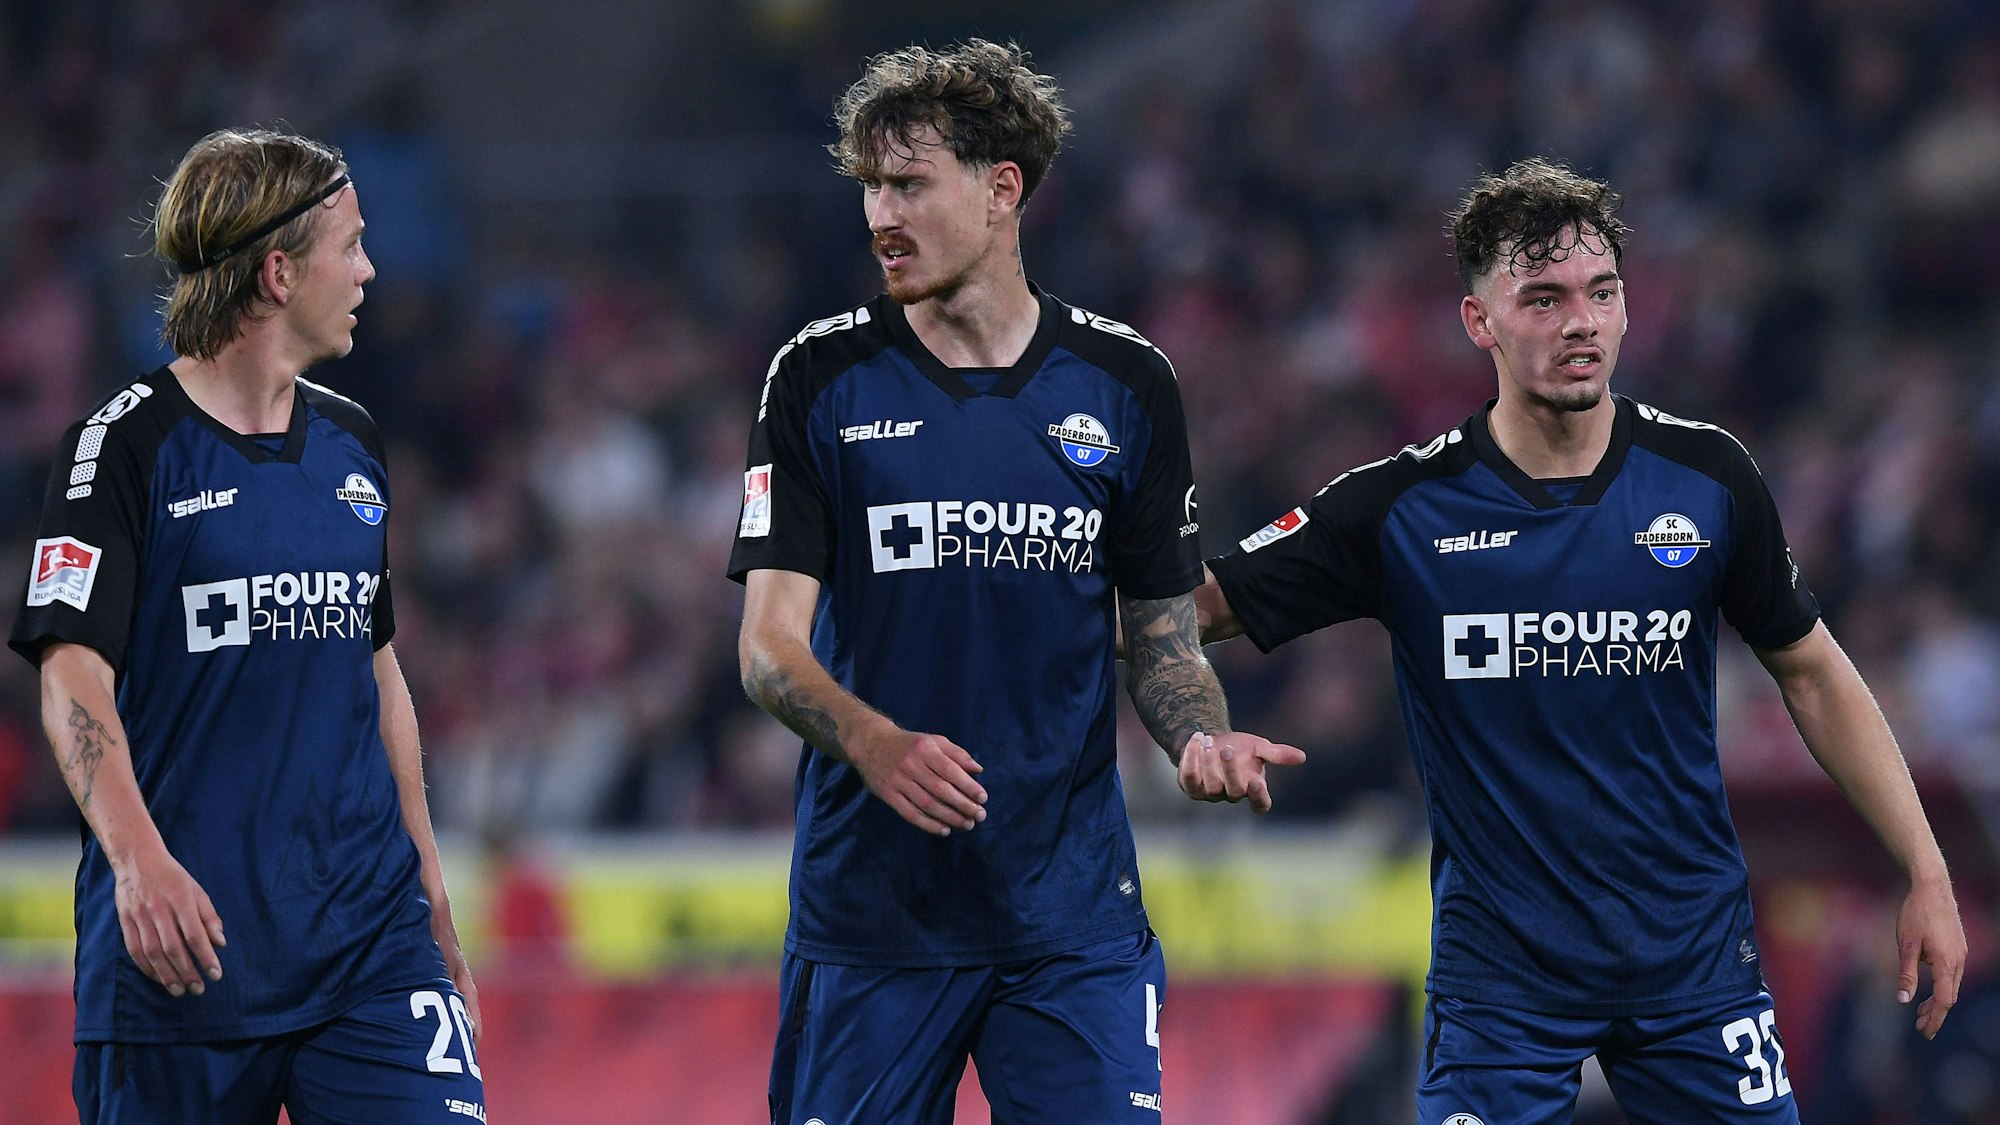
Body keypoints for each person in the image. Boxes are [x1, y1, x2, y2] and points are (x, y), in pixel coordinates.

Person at [1197, 158, 1966, 1123]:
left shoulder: (1708, 475)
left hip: (1692, 965)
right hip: (1500, 987)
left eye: (1602, 293)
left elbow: (1812, 671)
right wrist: (1190, 715)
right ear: (1480, 322)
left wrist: (1927, 869)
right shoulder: (1400, 505)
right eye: (1544, 297)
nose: (1581, 323)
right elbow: (1182, 607)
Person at [729, 39, 1302, 1124]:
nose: (878, 215)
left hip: (1069, 920)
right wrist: (871, 739)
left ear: (1001, 192)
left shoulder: (1127, 383)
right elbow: (767, 649)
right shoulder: (817, 376)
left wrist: (1197, 739)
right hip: (872, 916)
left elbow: (1164, 638)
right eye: (868, 188)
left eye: (908, 183)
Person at [7, 128, 483, 1123]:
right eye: (348, 246)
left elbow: (377, 666)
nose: (369, 269)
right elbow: (71, 675)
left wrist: (429, 888)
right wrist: (138, 864)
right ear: (278, 271)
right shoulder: (122, 449)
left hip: (368, 948)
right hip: (184, 962)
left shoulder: (351, 442)